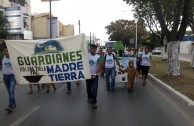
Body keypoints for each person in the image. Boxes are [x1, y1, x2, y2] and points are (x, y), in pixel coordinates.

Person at [86, 44, 101, 109]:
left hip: (95, 75)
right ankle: (89, 97)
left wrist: (95, 74)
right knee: (88, 88)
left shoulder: (98, 57)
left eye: (93, 48)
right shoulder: (87, 55)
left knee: (94, 89)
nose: (92, 49)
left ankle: (94, 102)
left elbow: (99, 66)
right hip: (87, 75)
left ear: (95, 49)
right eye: (91, 48)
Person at [2, 46, 17, 112]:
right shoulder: (3, 58)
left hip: (12, 77)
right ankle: (13, 103)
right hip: (5, 77)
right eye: (4, 51)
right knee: (10, 92)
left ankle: (10, 105)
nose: (5, 52)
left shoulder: (13, 58)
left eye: (7, 51)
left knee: (11, 91)